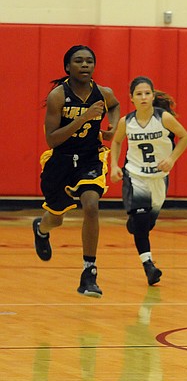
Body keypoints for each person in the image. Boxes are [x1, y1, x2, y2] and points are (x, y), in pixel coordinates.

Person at [33, 45, 121, 298]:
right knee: (56, 218)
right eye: (79, 61)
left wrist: (112, 125)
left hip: (89, 159)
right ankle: (41, 229)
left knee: (91, 205)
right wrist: (83, 119)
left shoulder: (103, 94)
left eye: (89, 61)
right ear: (67, 67)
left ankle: (89, 272)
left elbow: (114, 106)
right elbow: (52, 140)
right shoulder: (58, 96)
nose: (85, 65)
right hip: (60, 161)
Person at [110, 77, 187, 285]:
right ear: (131, 99)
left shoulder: (163, 118)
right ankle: (149, 266)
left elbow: (185, 137)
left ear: (153, 96)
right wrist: (115, 166)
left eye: (147, 93)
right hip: (135, 175)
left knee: (146, 223)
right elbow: (117, 141)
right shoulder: (126, 122)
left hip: (158, 178)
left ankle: (136, 224)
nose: (143, 97)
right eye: (139, 94)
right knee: (140, 220)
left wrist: (172, 159)